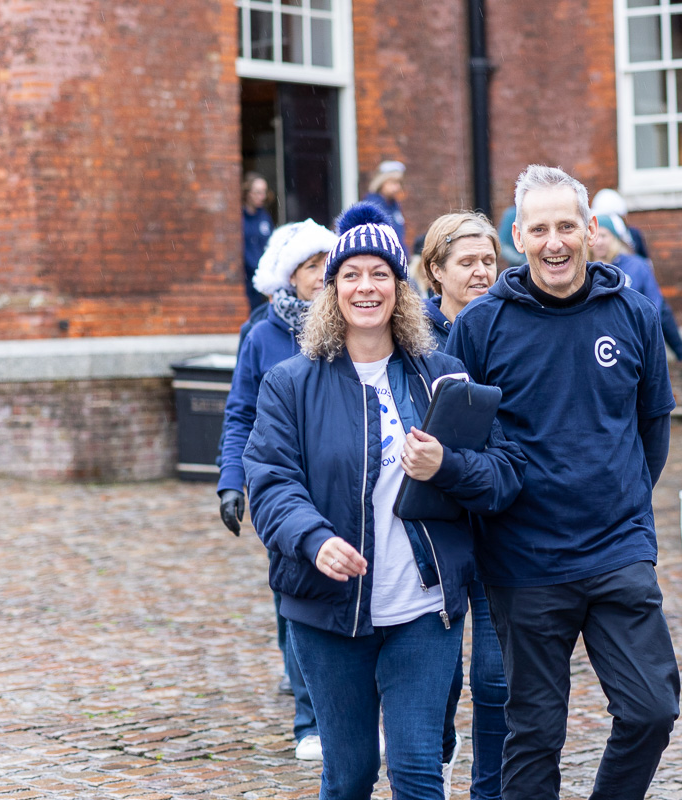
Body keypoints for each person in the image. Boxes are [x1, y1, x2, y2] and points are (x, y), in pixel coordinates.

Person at [243, 203, 525, 800]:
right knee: (348, 776)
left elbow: (502, 476)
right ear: (331, 289)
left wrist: (446, 465)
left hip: (424, 609)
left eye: (380, 274)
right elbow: (270, 481)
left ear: (401, 289)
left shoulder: (441, 376)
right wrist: (314, 540)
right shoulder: (290, 383)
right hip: (327, 610)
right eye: (351, 274)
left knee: (418, 770)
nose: (365, 286)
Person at [446, 165, 680, 800]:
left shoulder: (633, 312)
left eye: (567, 226)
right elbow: (462, 446)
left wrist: (623, 496)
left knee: (651, 709)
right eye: (540, 228)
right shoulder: (481, 325)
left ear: (591, 231)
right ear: (518, 237)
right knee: (535, 733)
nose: (555, 242)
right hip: (524, 561)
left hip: (617, 552)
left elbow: (652, 428)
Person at [217, 219, 336, 759]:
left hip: (338, 479)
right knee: (294, 597)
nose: (321, 275)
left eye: (324, 265)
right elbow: (241, 412)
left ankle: (340, 704)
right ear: (290, 275)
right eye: (310, 266)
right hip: (280, 483)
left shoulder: (351, 325)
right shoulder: (262, 334)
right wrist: (230, 482)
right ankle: (309, 717)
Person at [419, 211, 507, 800]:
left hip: (502, 523)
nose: (481, 273)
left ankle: (492, 789)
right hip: (435, 527)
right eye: (467, 263)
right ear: (435, 271)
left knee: (498, 677)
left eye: (488, 261)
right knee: (439, 679)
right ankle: (438, 766)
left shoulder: (510, 323)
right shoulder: (413, 340)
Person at [590, 190, 682, 361]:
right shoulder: (583, 269)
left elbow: (655, 305)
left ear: (615, 238)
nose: (599, 241)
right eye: (596, 236)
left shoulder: (635, 265)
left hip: (633, 342)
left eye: (604, 236)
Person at [242, 172, 274, 311]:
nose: (262, 197)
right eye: (257, 192)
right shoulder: (239, 218)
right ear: (247, 193)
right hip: (246, 279)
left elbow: (270, 246)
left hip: (263, 277)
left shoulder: (265, 218)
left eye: (264, 192)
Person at [363, 160, 408, 246]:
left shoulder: (394, 205)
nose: (397, 187)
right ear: (381, 182)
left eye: (399, 183)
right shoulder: (372, 206)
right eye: (393, 182)